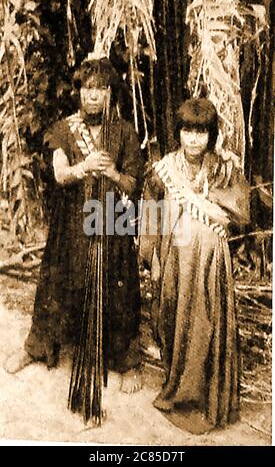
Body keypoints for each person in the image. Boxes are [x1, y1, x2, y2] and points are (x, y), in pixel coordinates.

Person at [5, 53, 143, 395]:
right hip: (72, 222)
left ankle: (124, 360)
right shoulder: (65, 129)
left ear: (111, 93)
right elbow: (59, 173)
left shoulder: (125, 132)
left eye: (100, 89)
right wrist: (85, 167)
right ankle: (37, 347)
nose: (93, 95)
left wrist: (109, 171)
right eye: (87, 88)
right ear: (79, 91)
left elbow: (133, 184)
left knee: (118, 286)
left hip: (113, 219)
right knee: (57, 282)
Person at [141, 97, 250, 434]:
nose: (193, 139)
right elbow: (149, 218)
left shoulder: (223, 168)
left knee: (207, 324)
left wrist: (216, 208)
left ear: (210, 135)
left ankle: (204, 399)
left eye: (201, 132)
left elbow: (242, 214)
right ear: (179, 132)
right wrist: (151, 257)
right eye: (188, 130)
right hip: (175, 262)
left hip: (209, 266)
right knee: (174, 320)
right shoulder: (162, 171)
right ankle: (179, 391)